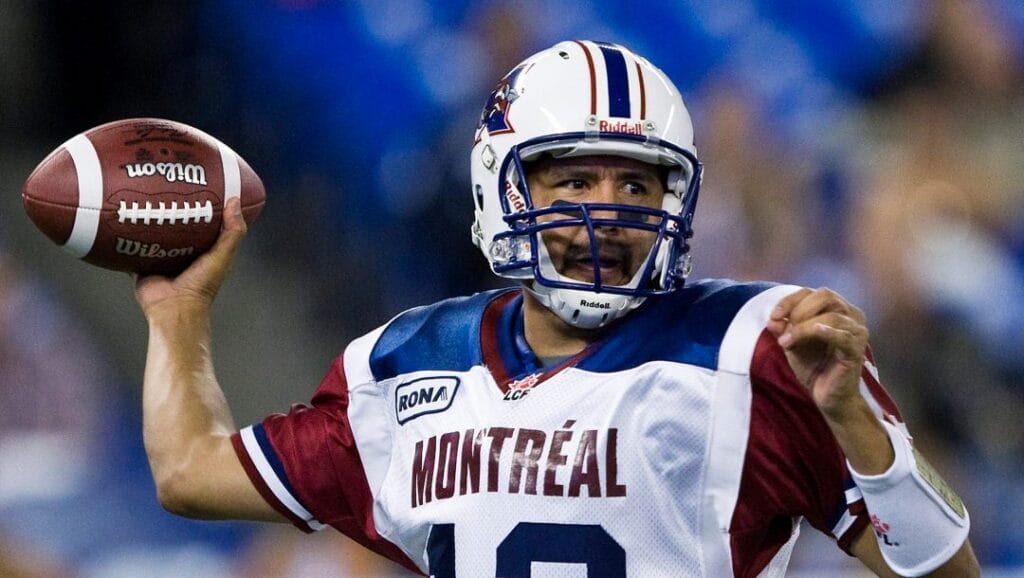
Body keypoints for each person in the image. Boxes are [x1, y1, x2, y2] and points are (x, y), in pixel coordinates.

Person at [134, 41, 979, 577]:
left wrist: (862, 430)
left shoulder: (755, 349)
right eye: (573, 178)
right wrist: (179, 309)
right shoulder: (405, 364)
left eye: (636, 184)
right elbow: (188, 473)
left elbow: (947, 575)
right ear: (501, 188)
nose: (605, 211)